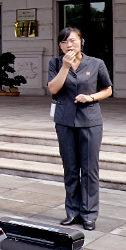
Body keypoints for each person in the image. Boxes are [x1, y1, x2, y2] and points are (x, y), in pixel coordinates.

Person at [48, 27, 112, 231]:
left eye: (73, 40)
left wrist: (90, 97)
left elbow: (107, 90)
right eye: (64, 42)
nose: (69, 45)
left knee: (90, 169)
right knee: (71, 169)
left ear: (81, 42)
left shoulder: (96, 63)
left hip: (90, 121)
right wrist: (65, 67)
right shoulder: (56, 64)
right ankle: (72, 212)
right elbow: (53, 89)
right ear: (60, 46)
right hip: (65, 121)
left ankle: (89, 214)